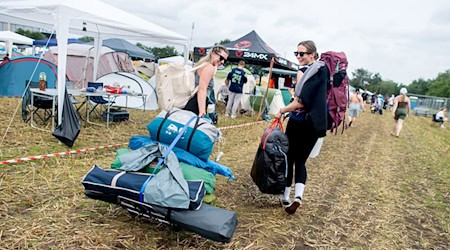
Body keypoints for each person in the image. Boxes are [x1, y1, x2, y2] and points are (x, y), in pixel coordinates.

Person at [274, 40, 329, 215]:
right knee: (301, 162)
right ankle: (298, 196)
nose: (298, 57)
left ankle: (286, 196)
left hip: (299, 122)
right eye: (296, 53)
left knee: (289, 158)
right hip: (315, 124)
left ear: (312, 54)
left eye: (302, 54)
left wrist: (282, 110)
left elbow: (299, 102)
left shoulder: (305, 72)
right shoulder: (324, 71)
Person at [183, 45, 229, 116]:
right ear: (213, 53)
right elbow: (202, 89)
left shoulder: (202, 63)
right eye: (221, 58)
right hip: (196, 103)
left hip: (191, 101)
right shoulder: (210, 67)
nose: (222, 62)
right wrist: (202, 111)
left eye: (224, 60)